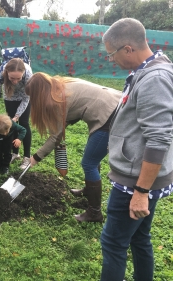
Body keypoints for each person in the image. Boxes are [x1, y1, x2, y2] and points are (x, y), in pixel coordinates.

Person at [100, 18, 173, 281]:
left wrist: (141, 192)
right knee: (140, 238)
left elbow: (158, 139)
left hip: (136, 182)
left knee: (113, 243)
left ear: (128, 49)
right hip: (139, 177)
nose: (111, 60)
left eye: (112, 53)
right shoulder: (149, 69)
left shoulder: (154, 78)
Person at [25, 72, 121, 222]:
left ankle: (94, 213)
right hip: (115, 104)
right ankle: (89, 191)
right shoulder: (60, 84)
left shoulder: (56, 100)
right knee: (92, 159)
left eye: (33, 97)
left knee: (89, 163)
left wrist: (35, 158)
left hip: (109, 117)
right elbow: (73, 110)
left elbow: (55, 137)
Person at [0, 58, 33, 170]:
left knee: (23, 123)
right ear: (7, 72)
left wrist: (17, 115)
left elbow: (26, 98)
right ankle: (15, 153)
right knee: (11, 125)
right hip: (9, 96)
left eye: (19, 78)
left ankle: (27, 157)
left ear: (23, 73)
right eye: (12, 78)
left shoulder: (28, 74)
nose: (15, 81)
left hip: (24, 98)